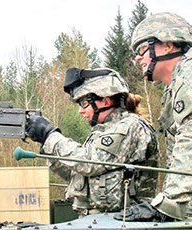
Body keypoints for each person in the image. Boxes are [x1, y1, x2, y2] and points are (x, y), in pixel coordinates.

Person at [114, 12, 192, 222]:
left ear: (167, 45)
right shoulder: (174, 85)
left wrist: (168, 205)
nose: (138, 58)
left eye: (142, 50)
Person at [26, 67, 159, 217]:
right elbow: (75, 173)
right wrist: (46, 143)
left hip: (123, 221)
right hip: (98, 220)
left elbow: (90, 163)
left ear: (106, 100)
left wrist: (51, 136)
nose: (80, 111)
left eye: (84, 104)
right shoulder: (102, 132)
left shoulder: (130, 127)